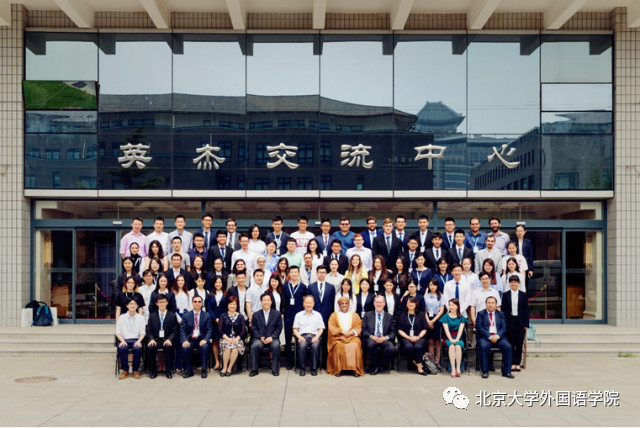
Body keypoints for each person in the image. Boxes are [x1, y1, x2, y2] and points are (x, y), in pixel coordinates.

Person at [476, 296, 514, 379]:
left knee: (508, 347)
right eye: (489, 303)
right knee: (483, 346)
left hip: (498, 337)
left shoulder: (501, 314)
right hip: (485, 337)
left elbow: (504, 327)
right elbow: (479, 327)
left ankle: (506, 371)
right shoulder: (480, 314)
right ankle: (485, 371)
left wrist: (497, 336)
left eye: (493, 303)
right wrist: (490, 336)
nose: (490, 305)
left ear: (496, 304)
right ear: (486, 304)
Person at [327, 296, 364, 377]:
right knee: (338, 346)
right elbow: (331, 327)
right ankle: (338, 369)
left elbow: (358, 326)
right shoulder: (334, 315)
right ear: (339, 305)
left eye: (346, 303)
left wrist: (351, 332)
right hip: (338, 337)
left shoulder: (355, 315)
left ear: (349, 305)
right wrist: (342, 332)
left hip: (352, 336)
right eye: (342, 304)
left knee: (355, 345)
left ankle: (355, 369)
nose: (344, 305)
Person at [249, 293, 283, 377]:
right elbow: (253, 328)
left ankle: (275, 369)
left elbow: (279, 328)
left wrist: (272, 337)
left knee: (276, 345)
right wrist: (260, 337)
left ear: (271, 302)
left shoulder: (277, 314)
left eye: (268, 300)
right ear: (261, 302)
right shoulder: (256, 314)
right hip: (259, 338)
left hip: (272, 338)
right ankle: (254, 369)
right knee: (255, 346)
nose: (266, 302)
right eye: (264, 300)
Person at [146, 294, 179, 379]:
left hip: (167, 339)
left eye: (163, 302)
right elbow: (148, 330)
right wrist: (151, 339)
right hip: (156, 340)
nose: (162, 304)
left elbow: (175, 330)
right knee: (151, 348)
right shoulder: (152, 316)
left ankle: (168, 371)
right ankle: (153, 371)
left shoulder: (172, 315)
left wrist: (170, 339)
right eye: (160, 302)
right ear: (156, 303)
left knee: (168, 347)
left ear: (167, 302)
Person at [362, 295, 396, 375]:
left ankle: (377, 366)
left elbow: (393, 332)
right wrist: (372, 337)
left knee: (391, 348)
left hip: (384, 338)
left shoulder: (389, 316)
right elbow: (364, 330)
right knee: (371, 345)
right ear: (374, 303)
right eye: (377, 302)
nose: (379, 304)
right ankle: (376, 366)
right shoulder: (367, 315)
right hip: (372, 338)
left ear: (384, 304)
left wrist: (385, 338)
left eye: (381, 302)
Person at [180, 295, 212, 378]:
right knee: (185, 348)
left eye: (199, 302)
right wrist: (184, 340)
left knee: (205, 347)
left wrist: (205, 339)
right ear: (192, 303)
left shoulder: (206, 315)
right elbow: (182, 330)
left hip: (201, 339)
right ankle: (189, 370)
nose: (197, 303)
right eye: (195, 301)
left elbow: (209, 330)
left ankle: (204, 370)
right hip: (190, 339)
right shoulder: (186, 316)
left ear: (202, 303)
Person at [502, 275, 529, 372]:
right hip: (510, 321)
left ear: (519, 283)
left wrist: (526, 324)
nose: (513, 284)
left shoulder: (523, 295)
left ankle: (517, 363)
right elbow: (504, 310)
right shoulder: (505, 295)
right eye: (512, 282)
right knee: (511, 343)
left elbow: (526, 310)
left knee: (519, 343)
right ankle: (512, 363)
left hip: (520, 322)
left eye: (515, 282)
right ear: (509, 283)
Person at [293, 295, 325, 376]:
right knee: (302, 345)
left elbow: (321, 328)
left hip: (314, 336)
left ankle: (314, 368)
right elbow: (295, 329)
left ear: (313, 304)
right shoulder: (298, 315)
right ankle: (302, 368)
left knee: (315, 345)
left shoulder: (318, 315)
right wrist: (299, 337)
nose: (308, 304)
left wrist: (317, 337)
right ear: (303, 304)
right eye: (306, 303)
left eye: (310, 303)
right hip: (302, 336)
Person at [396, 297, 428, 375]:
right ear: (406, 304)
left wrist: (418, 337)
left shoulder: (420, 314)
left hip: (419, 337)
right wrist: (408, 337)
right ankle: (419, 366)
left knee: (418, 347)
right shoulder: (403, 315)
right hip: (406, 338)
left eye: (412, 303)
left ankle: (418, 366)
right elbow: (400, 330)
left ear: (416, 304)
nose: (410, 304)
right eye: (409, 302)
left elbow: (424, 329)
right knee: (408, 347)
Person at [115, 298, 145, 379]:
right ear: (127, 306)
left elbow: (143, 332)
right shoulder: (122, 317)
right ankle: (125, 371)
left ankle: (135, 370)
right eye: (130, 304)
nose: (132, 305)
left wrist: (139, 341)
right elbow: (117, 332)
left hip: (136, 339)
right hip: (124, 340)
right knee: (122, 348)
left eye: (134, 304)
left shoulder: (141, 318)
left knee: (138, 348)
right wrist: (122, 341)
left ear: (137, 306)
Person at [282, 265, 306, 370]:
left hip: (300, 317)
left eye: (296, 272)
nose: (294, 274)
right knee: (288, 340)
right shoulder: (284, 286)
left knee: (299, 339)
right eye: (292, 272)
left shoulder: (303, 287)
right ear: (289, 274)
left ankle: (299, 361)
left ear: (299, 273)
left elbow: (305, 301)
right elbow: (283, 301)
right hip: (288, 316)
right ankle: (289, 362)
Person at [218, 296, 247, 377]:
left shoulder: (240, 316)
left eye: (234, 304)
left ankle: (229, 368)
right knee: (227, 347)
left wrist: (237, 338)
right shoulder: (223, 316)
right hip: (225, 339)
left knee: (235, 349)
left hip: (237, 340)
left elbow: (243, 330)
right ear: (227, 305)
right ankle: (224, 368)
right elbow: (220, 330)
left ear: (237, 305)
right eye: (230, 304)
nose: (232, 306)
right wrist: (228, 339)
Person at [441, 298, 467, 378]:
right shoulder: (445, 317)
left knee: (458, 346)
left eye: (453, 305)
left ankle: (458, 368)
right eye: (450, 305)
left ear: (457, 306)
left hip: (458, 337)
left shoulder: (462, 317)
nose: (451, 307)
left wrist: (457, 339)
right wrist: (451, 339)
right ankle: (452, 369)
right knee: (452, 346)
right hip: (448, 337)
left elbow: (460, 330)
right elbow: (446, 330)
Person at [205, 275, 227, 371]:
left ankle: (222, 361)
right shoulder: (210, 295)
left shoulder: (226, 294)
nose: (218, 284)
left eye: (220, 282)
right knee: (215, 341)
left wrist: (221, 319)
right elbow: (209, 308)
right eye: (216, 282)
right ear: (214, 284)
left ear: (222, 284)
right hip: (213, 321)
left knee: (223, 341)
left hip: (224, 320)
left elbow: (227, 308)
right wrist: (215, 318)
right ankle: (217, 361)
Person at [424, 278, 446, 364]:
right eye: (431, 285)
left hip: (437, 318)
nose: (432, 287)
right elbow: (424, 310)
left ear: (437, 286)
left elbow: (441, 311)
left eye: (434, 285)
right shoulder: (426, 296)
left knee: (437, 341)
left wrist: (433, 321)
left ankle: (437, 361)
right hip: (428, 318)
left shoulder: (441, 296)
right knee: (430, 341)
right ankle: (431, 362)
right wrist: (428, 321)